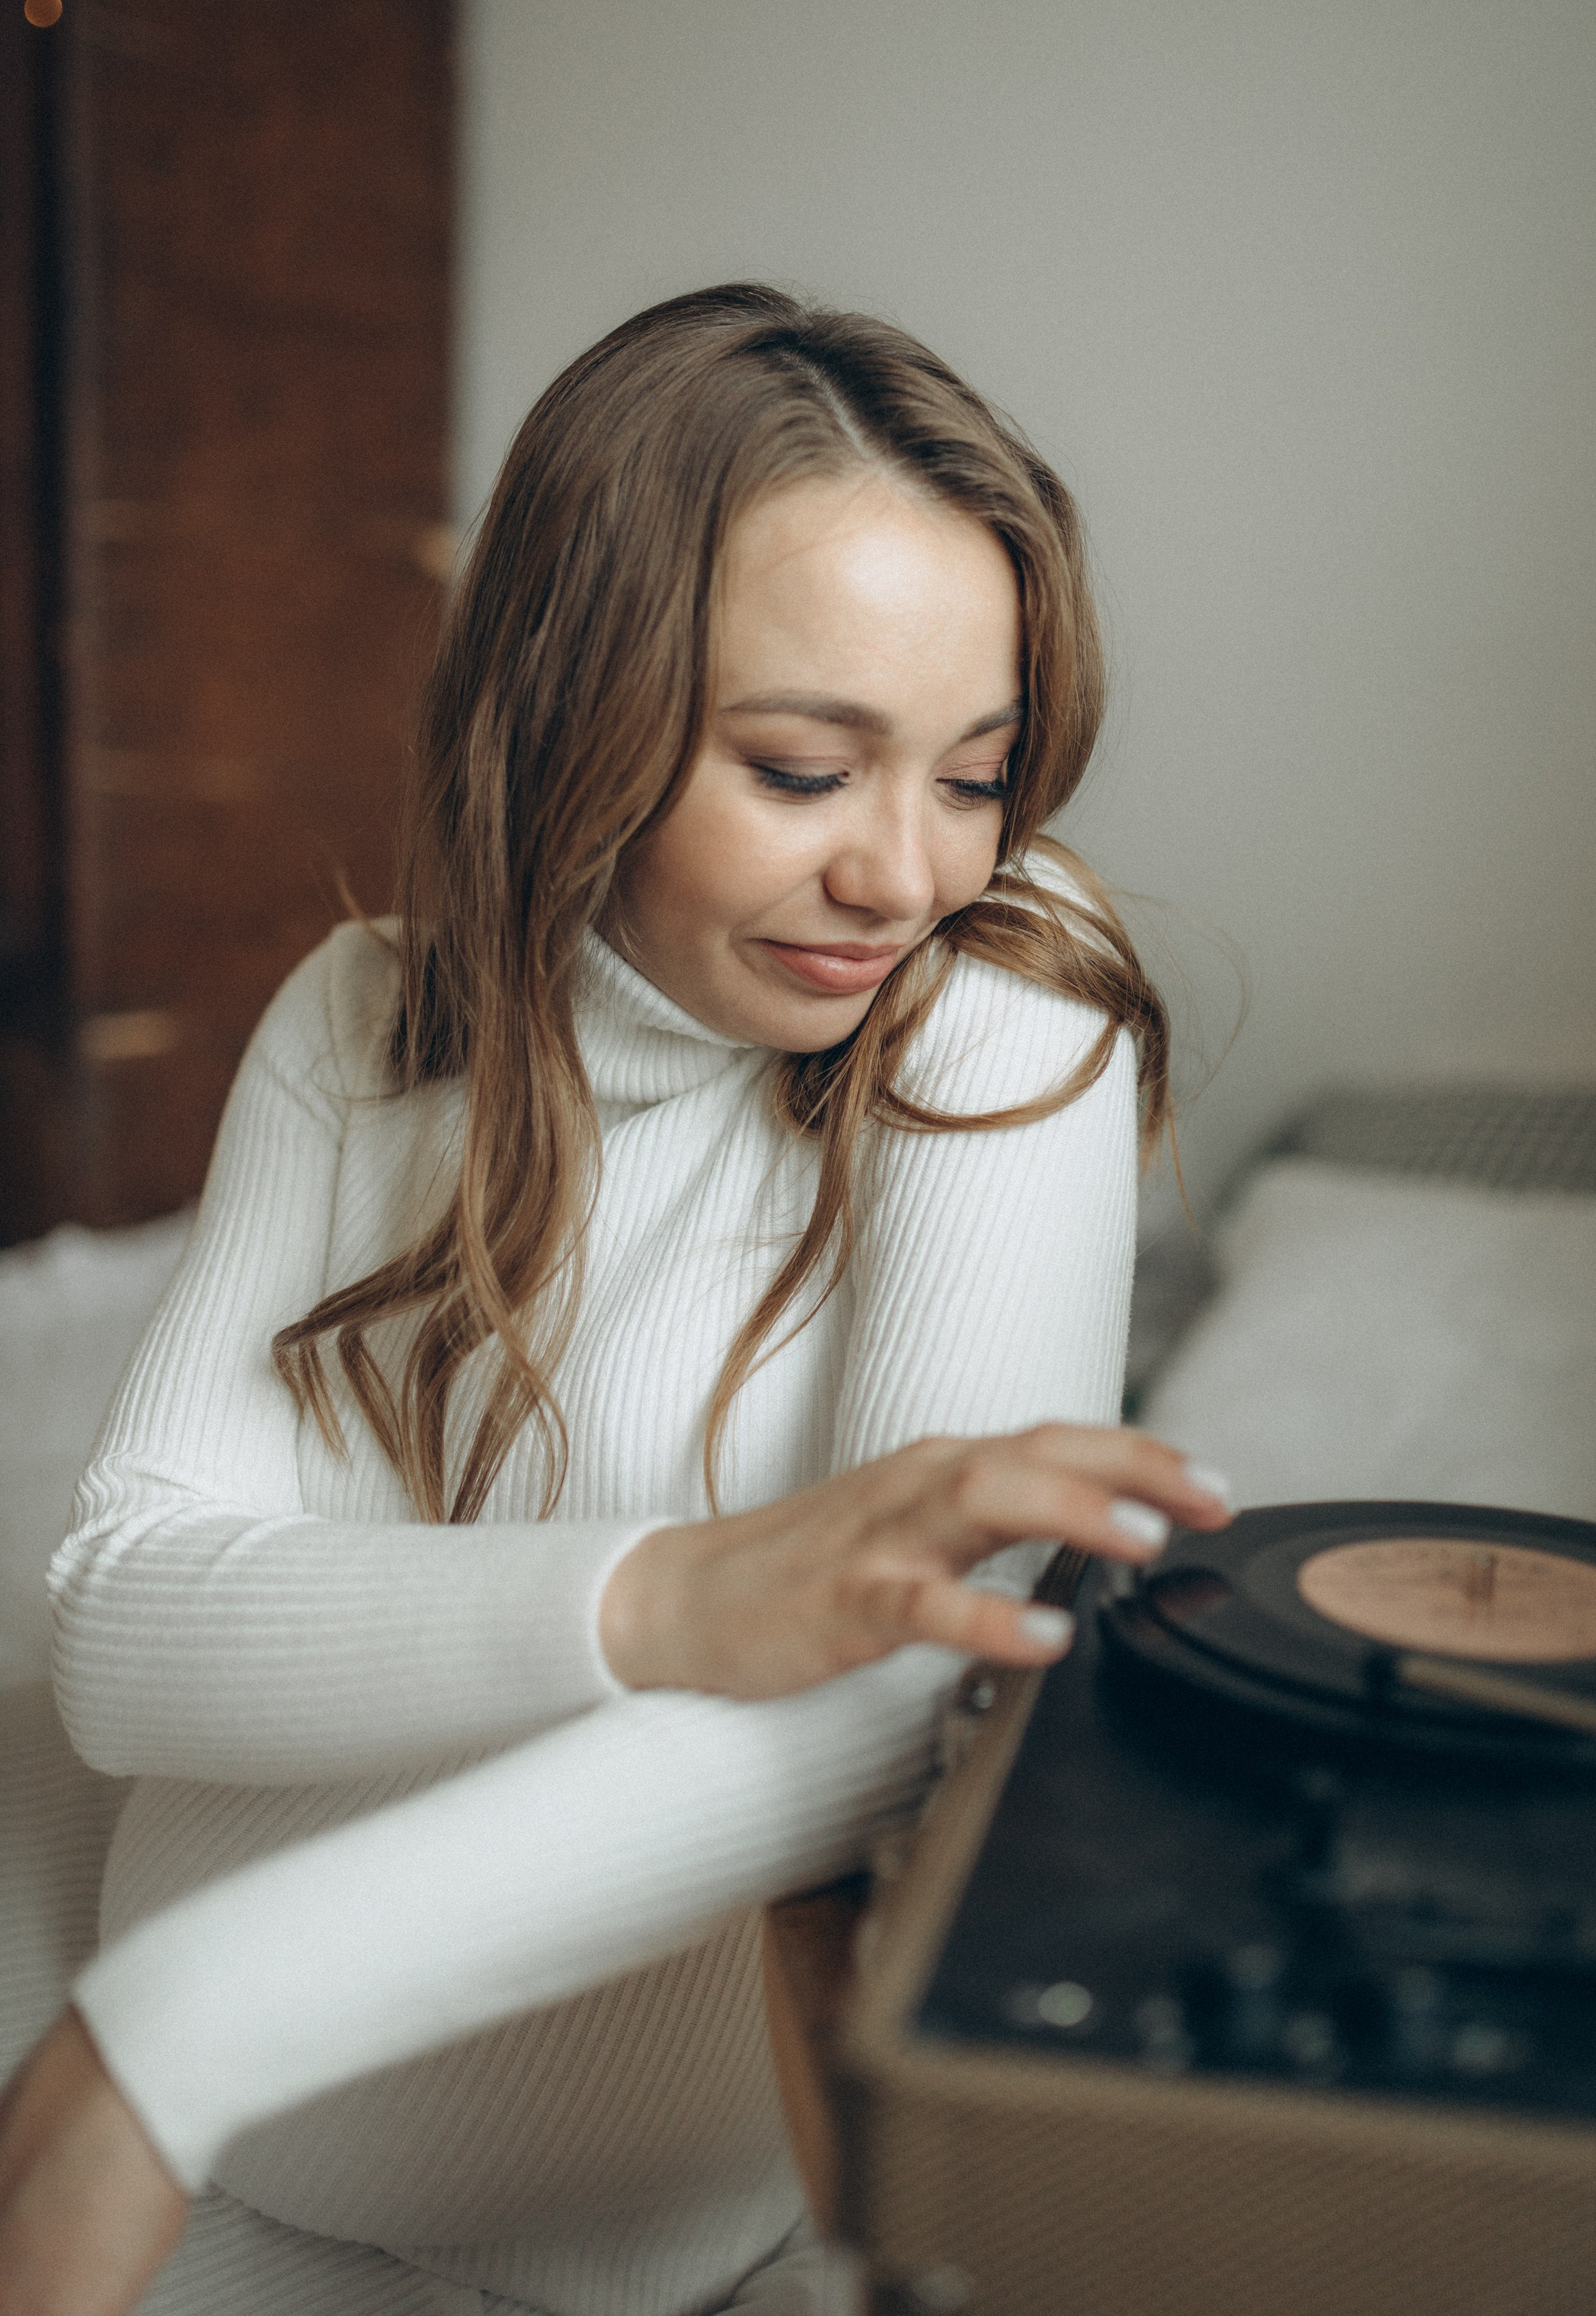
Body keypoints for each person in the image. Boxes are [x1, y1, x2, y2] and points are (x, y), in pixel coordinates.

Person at [0, 285, 1228, 2316]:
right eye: (802, 770)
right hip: (82, 2000)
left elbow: (919, 1684)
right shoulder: (364, 1018)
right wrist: (677, 1598)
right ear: (574, 704)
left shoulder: (1004, 987)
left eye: (974, 771)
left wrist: (165, 2043)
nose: (904, 874)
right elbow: (124, 1627)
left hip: (362, 2173)